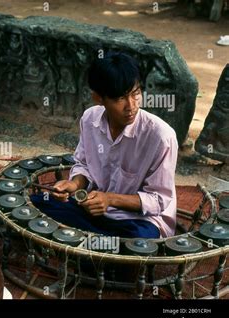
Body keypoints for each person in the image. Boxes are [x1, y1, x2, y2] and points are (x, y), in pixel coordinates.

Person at [32, 52, 178, 239]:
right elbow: (84, 165)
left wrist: (109, 199)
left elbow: (159, 200)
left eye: (135, 94)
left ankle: (89, 244)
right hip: (94, 211)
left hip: (139, 221)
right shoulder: (89, 119)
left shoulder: (161, 136)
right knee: (36, 204)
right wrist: (73, 184)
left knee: (140, 242)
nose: (131, 106)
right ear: (98, 98)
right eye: (119, 98)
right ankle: (97, 247)